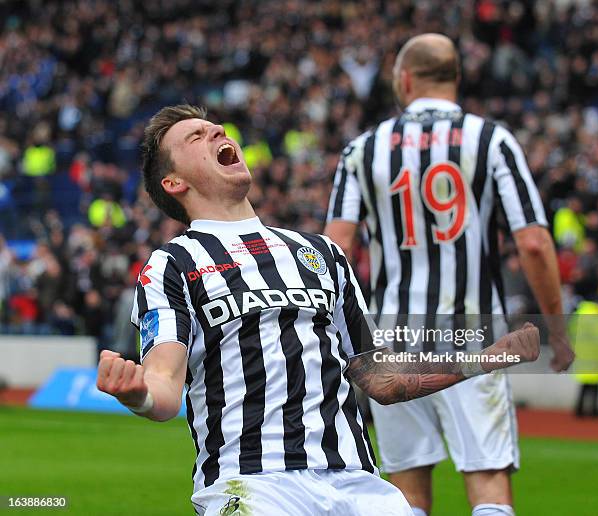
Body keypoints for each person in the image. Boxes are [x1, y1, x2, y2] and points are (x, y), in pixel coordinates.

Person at [95, 105, 541, 516]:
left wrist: (491, 356)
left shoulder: (320, 253)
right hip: (255, 485)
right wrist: (140, 394)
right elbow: (165, 384)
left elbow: (381, 380)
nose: (215, 130)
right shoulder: (172, 263)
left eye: (215, 127)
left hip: (359, 485)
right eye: (195, 137)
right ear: (174, 183)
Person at [325, 34, 575, 516]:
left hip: (391, 336)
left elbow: (335, 250)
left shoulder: (362, 149)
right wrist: (558, 333)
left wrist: (346, 341)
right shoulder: (491, 139)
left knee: (407, 490)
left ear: (404, 79)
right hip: (473, 332)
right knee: (486, 478)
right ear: (456, 78)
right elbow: (533, 242)